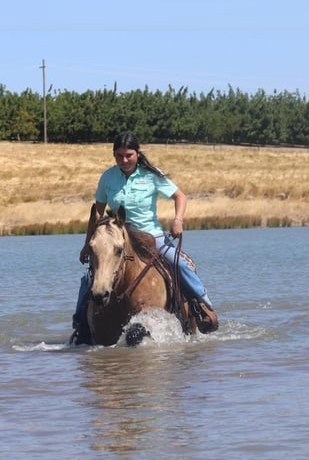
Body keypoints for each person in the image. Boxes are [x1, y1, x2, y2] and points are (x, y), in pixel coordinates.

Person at [71, 131, 218, 342]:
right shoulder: (108, 177)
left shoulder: (151, 175)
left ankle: (203, 306)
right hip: (117, 234)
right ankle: (80, 325)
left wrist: (178, 220)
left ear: (137, 154)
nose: (123, 160)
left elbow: (180, 196)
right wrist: (88, 245)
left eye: (128, 155)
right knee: (89, 278)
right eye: (119, 155)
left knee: (180, 265)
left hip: (151, 235)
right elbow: (96, 214)